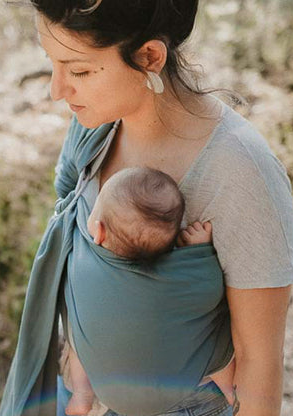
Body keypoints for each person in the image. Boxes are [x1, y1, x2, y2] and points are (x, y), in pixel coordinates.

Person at [1, 1, 293, 415]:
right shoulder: (97, 129)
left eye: (80, 70)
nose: (56, 89)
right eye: (52, 63)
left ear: (149, 57)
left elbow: (258, 368)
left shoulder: (239, 172)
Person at [65, 166, 236, 416]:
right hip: (179, 392)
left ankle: (82, 394)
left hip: (112, 393)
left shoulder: (83, 264)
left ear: (99, 232)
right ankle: (227, 382)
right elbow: (211, 288)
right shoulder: (183, 283)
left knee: (75, 327)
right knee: (217, 318)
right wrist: (199, 251)